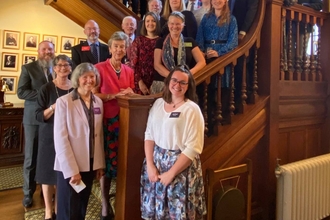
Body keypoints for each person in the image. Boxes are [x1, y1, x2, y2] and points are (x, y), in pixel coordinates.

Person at [140, 65, 206, 219]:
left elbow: (193, 147)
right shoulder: (157, 104)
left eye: (183, 82)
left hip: (180, 170)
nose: (177, 85)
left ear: (188, 86)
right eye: (174, 80)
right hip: (155, 166)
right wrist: (150, 164)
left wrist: (171, 173)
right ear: (168, 81)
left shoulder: (192, 109)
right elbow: (149, 134)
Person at [54, 63, 105, 220]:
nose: (89, 80)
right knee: (68, 211)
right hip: (71, 167)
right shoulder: (64, 102)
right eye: (85, 77)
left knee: (82, 208)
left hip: (89, 164)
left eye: (92, 77)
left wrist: (99, 164)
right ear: (77, 79)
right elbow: (60, 139)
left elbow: (99, 136)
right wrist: (71, 170)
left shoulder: (98, 102)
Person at [93, 31, 135, 220]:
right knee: (106, 165)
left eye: (122, 46)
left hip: (125, 122)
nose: (119, 49)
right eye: (116, 46)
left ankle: (120, 199)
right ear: (109, 49)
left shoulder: (129, 71)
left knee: (123, 162)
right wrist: (113, 96)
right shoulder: (99, 68)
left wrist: (130, 93)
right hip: (107, 122)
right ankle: (104, 202)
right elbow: (93, 94)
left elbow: (131, 93)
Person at [17, 40, 55, 208]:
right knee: (31, 157)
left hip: (53, 119)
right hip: (33, 119)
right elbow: (21, 92)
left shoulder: (58, 68)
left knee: (49, 156)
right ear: (39, 51)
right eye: (44, 49)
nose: (47, 52)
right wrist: (42, 95)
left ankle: (46, 189)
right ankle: (28, 193)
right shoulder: (28, 68)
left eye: (50, 49)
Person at [35, 54, 73, 220]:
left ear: (71, 68)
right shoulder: (46, 88)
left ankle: (58, 208)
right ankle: (48, 211)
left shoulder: (75, 88)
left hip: (69, 136)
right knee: (47, 173)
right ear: (54, 68)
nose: (63, 68)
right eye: (59, 66)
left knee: (62, 174)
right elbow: (38, 115)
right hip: (49, 136)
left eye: (66, 65)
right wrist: (53, 107)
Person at [196, 0, 238, 133]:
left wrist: (219, 52)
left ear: (225, 1)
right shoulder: (206, 18)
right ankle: (207, 123)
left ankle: (221, 122)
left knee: (222, 89)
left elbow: (233, 42)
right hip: (207, 57)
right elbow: (199, 38)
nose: (217, 1)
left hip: (223, 59)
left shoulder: (231, 19)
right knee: (207, 90)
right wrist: (202, 51)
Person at [152, 11, 205, 94]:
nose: (174, 26)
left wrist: (188, 74)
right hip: (163, 83)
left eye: (178, 24)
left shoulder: (190, 41)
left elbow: (201, 62)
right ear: (168, 25)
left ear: (183, 25)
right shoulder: (160, 41)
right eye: (172, 23)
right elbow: (157, 65)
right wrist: (174, 78)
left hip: (183, 83)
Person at [129, 12, 161, 95]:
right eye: (148, 21)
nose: (150, 23)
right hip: (139, 82)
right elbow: (133, 64)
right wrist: (140, 82)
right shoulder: (138, 40)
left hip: (156, 82)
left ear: (157, 23)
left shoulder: (161, 41)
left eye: (153, 21)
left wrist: (155, 84)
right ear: (144, 24)